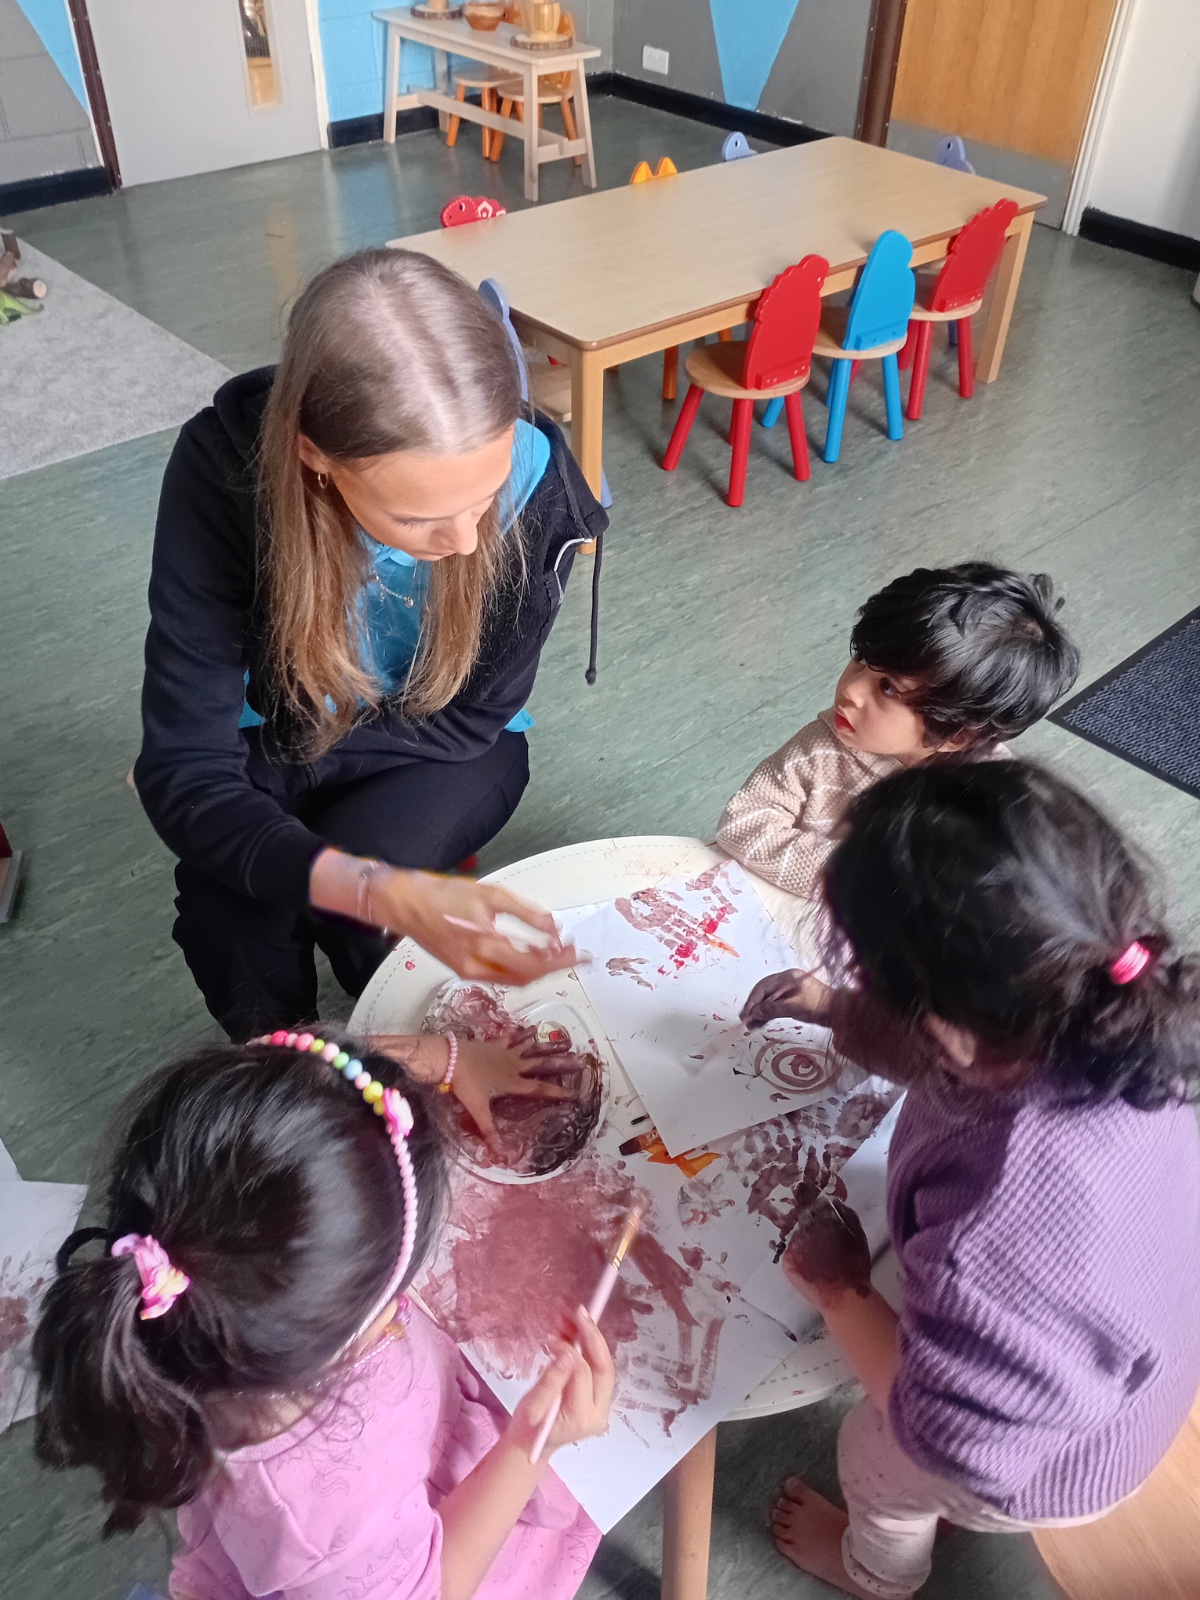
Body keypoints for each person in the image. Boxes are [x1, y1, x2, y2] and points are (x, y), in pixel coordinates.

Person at [741, 760, 1200, 1600]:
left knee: (873, 1460)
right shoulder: (1115, 1009)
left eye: (873, 979)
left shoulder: (995, 1233)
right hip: (1132, 1359)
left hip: (1043, 1459)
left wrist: (840, 1288)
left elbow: (943, 1435)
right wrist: (837, 1007)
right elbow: (934, 1047)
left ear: (952, 1030)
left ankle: (874, 1574)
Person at [135, 247, 608, 1041]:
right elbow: (184, 767)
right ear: (316, 458)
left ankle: (399, 1038)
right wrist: (345, 869)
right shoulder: (225, 474)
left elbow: (471, 720)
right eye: (419, 519)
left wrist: (346, 870)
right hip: (290, 726)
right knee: (226, 907)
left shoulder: (537, 482)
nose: (463, 543)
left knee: (360, 896)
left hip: (451, 743)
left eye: (482, 500)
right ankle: (288, 1059)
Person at [33, 1027, 613, 1600]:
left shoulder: (201, 1306)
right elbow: (434, 1588)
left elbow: (298, 1070)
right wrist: (529, 1444)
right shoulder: (321, 1517)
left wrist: (452, 1059)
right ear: (357, 1331)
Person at [716, 562, 1079, 899]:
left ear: (957, 736)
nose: (851, 691)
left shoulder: (990, 803)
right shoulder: (821, 748)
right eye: (861, 658)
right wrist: (864, 882)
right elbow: (742, 822)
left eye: (888, 688)